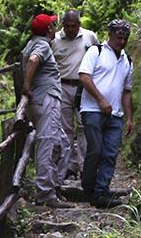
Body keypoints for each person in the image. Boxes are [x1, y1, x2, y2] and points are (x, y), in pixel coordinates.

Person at [78, 19, 134, 209]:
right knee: (95, 149)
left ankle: (101, 192)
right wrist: (101, 100)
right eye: (119, 37)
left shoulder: (127, 60)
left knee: (110, 153)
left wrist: (129, 118)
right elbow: (84, 76)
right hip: (92, 110)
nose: (122, 42)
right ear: (110, 35)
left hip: (116, 115)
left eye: (125, 38)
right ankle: (88, 187)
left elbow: (127, 91)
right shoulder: (96, 51)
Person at [21, 13, 73, 208]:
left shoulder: (31, 43)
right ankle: (45, 193)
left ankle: (54, 186)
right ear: (49, 29)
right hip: (45, 100)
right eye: (52, 25)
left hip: (41, 100)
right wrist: (26, 86)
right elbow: (33, 60)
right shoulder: (42, 46)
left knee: (62, 144)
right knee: (47, 143)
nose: (55, 27)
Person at [51, 10, 98, 180]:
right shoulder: (55, 40)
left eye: (74, 26)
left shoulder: (89, 37)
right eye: (67, 26)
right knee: (66, 128)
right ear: (63, 25)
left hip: (83, 86)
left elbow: (97, 57)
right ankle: (69, 165)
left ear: (79, 24)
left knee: (84, 125)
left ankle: (85, 164)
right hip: (62, 85)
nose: (71, 29)